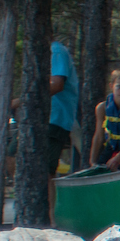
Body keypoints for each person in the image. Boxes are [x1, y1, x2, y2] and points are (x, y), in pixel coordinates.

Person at [47, 40, 78, 174]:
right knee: (12, 155)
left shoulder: (57, 51)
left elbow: (57, 84)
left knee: (45, 171)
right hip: (44, 119)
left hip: (56, 120)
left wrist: (21, 101)